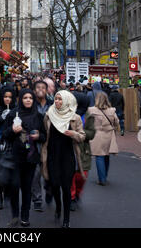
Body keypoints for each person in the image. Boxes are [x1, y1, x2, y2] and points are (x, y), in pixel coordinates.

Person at [41, 90, 86, 228]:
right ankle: (58, 206)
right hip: (52, 155)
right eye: (56, 99)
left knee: (66, 188)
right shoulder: (49, 115)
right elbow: (44, 135)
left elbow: (82, 136)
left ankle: (66, 219)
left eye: (61, 99)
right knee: (54, 185)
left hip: (67, 157)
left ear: (67, 101)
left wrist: (74, 134)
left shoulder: (75, 117)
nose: (58, 102)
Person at [2, 89, 46, 227]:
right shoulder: (12, 114)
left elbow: (44, 136)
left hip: (30, 156)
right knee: (14, 186)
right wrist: (12, 131)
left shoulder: (38, 116)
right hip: (14, 156)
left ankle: (25, 216)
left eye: (30, 98)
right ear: (20, 99)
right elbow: (4, 134)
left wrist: (39, 136)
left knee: (27, 187)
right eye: (25, 98)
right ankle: (15, 215)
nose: (28, 100)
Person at [88, 92, 119, 186]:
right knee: (106, 155)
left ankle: (102, 179)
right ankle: (104, 176)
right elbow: (116, 122)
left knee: (99, 156)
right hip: (109, 134)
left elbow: (87, 122)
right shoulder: (112, 110)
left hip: (97, 135)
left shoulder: (91, 110)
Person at [31, 80, 52, 211]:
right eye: (38, 87)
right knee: (36, 172)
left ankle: (49, 189)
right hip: (35, 143)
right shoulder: (30, 105)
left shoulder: (53, 105)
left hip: (50, 142)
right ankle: (37, 198)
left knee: (50, 169)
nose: (40, 90)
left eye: (43, 88)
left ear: (47, 90)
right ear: (34, 90)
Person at [70, 102, 95, 211]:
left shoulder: (88, 116)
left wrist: (78, 133)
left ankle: (78, 194)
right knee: (70, 175)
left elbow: (91, 133)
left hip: (83, 149)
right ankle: (71, 198)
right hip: (69, 148)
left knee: (81, 176)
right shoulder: (66, 114)